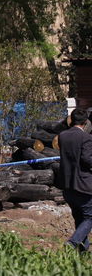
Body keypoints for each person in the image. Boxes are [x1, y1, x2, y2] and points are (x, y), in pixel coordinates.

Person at [56, 108, 92, 252]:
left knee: (79, 219)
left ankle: (83, 252)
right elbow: (87, 160)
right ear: (85, 122)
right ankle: (72, 243)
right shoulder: (86, 138)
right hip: (83, 185)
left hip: (67, 185)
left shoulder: (62, 136)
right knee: (89, 217)